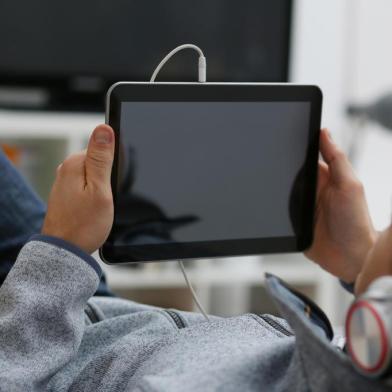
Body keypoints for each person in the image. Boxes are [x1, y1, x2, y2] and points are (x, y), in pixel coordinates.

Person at [0, 124, 390, 392]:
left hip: (39, 341)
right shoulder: (359, 367)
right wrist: (361, 263)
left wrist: (61, 251)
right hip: (94, 319)